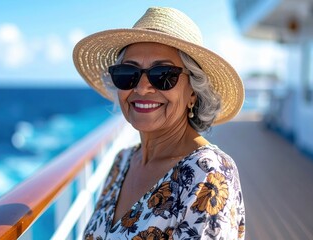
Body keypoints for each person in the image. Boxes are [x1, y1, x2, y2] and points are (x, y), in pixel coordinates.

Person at [73, 7, 245, 239]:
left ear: (193, 91)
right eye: (127, 73)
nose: (142, 87)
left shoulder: (207, 173)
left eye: (163, 74)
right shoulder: (121, 162)